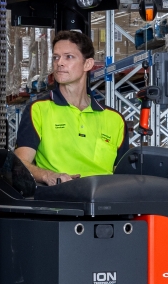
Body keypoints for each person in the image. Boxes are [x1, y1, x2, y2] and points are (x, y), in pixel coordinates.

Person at [13, 30, 129, 185]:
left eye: (69, 57)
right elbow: (20, 163)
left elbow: (123, 174)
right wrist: (48, 175)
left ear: (87, 64)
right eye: (56, 57)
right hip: (60, 201)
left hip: (103, 202)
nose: (59, 62)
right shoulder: (38, 109)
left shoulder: (115, 119)